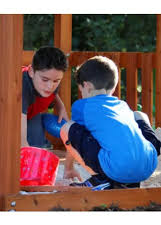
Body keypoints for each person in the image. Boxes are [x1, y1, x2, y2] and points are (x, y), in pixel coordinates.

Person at [60, 55, 161, 189]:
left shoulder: (83, 106)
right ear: (113, 86)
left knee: (67, 128)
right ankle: (129, 177)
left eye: (81, 90)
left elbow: (74, 137)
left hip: (117, 167)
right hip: (148, 164)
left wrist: (69, 167)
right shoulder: (122, 105)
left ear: (87, 86)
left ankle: (100, 178)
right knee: (139, 114)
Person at [0, 46, 70, 151]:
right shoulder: (20, 87)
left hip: (28, 109)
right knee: (6, 149)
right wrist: (25, 150)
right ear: (31, 72)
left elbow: (54, 92)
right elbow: (22, 142)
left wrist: (61, 106)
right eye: (45, 80)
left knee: (37, 144)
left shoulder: (51, 79)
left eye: (56, 81)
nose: (50, 86)